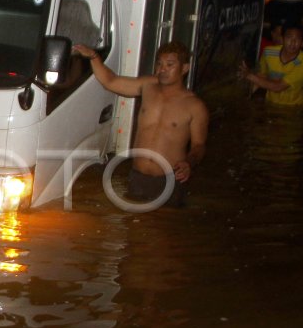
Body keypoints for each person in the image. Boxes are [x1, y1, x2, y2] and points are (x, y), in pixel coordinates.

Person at [73, 41, 209, 207]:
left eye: (170, 65)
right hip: (138, 177)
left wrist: (189, 162)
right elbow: (110, 81)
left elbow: (199, 145)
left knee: (164, 228)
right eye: (159, 63)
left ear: (185, 68)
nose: (162, 69)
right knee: (134, 227)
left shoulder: (195, 106)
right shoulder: (147, 86)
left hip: (170, 179)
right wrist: (94, 57)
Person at [241, 23, 303, 106]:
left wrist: (249, 75)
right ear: (283, 38)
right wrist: (245, 98)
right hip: (270, 103)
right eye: (289, 37)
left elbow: (278, 87)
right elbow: (261, 76)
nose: (293, 42)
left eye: (297, 39)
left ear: (302, 43)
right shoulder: (268, 52)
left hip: (294, 107)